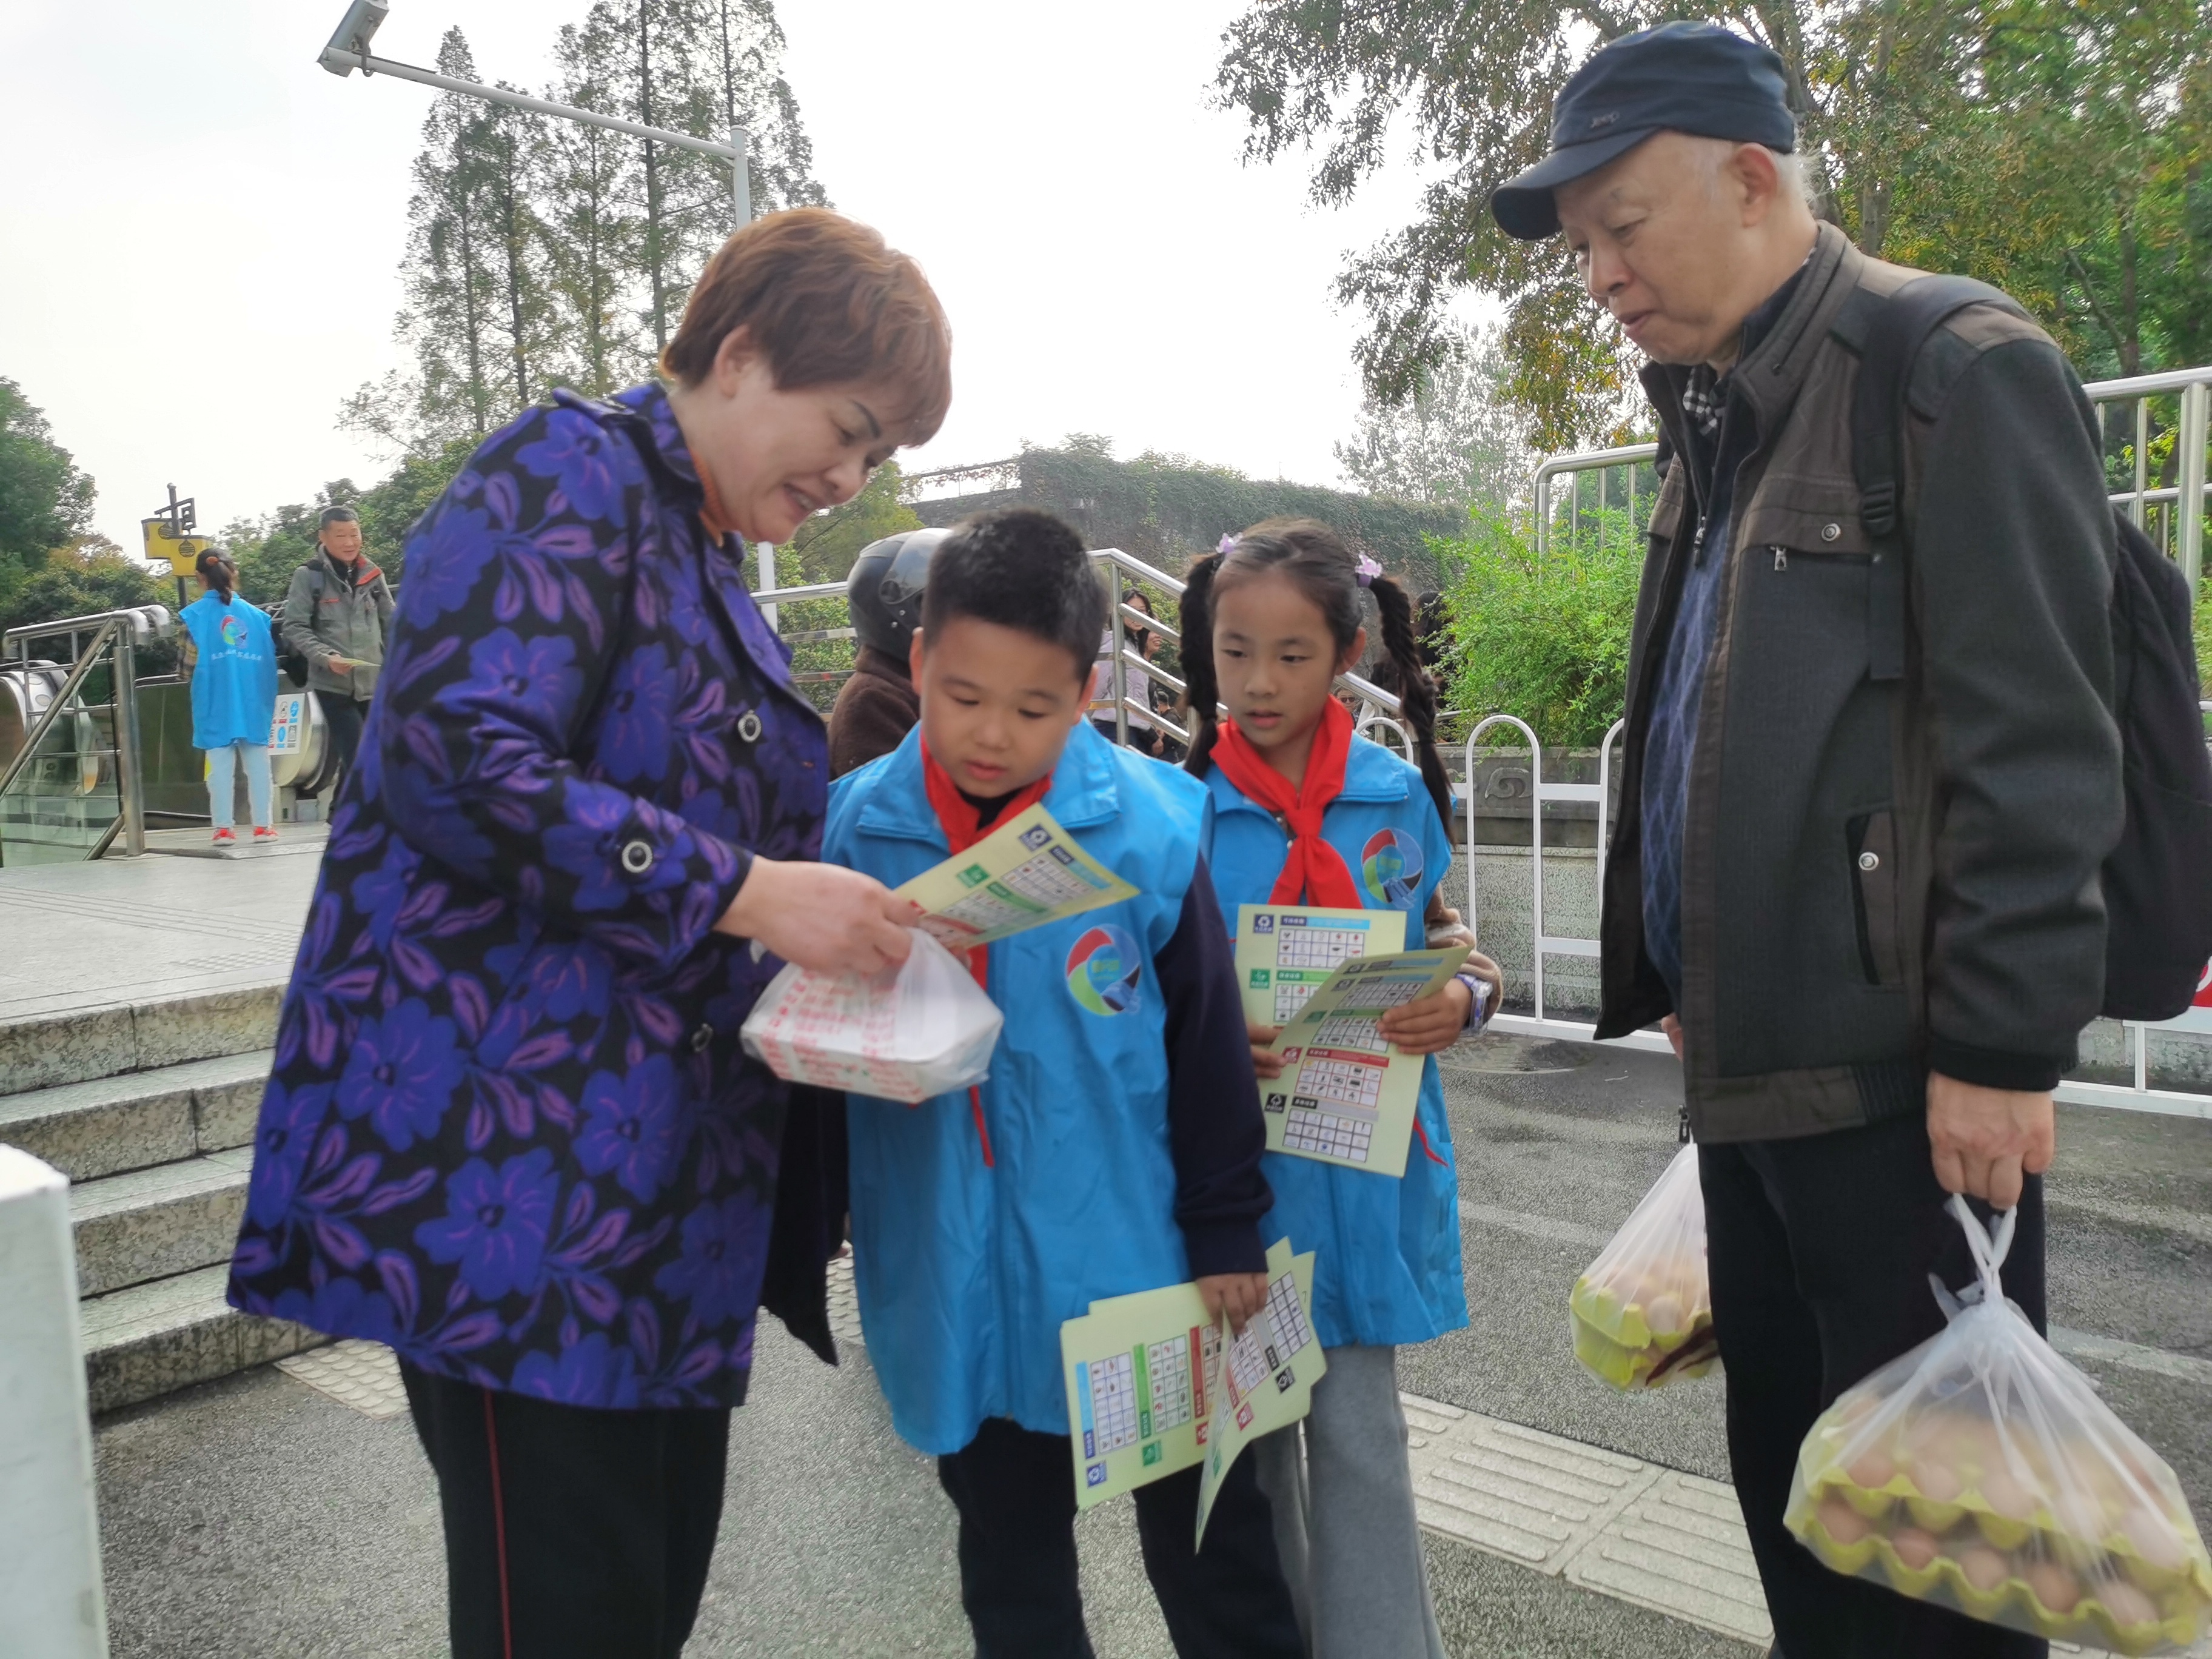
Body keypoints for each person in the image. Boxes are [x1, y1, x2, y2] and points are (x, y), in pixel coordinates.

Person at [227, 207, 952, 1659]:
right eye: (850, 428)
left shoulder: (692, 544)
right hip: (523, 1194)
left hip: (645, 1207)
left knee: (638, 1597)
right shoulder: (566, 470)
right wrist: (748, 889)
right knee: (563, 1614)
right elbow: (448, 753)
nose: (852, 475)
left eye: (879, 455)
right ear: (740, 352)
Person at [1492, 23, 2120, 1659]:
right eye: (1583, 251)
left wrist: (1999, 1043)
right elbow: (1721, 726)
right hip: (1756, 1084)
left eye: (1623, 227)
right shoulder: (1726, 412)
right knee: (1805, 1542)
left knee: (1936, 1584)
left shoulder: (1953, 369)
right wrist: (1681, 965)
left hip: (1909, 1100)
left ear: (1752, 178)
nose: (1602, 276)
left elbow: (2040, 740)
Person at [822, 507, 1304, 1659]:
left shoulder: (1140, 831)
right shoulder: (856, 832)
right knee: (1008, 1560)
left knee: (1211, 1551)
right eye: (963, 696)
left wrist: (1226, 1225)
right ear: (920, 664)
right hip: (957, 1271)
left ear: (1087, 690)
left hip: (1133, 1265)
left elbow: (1203, 1044)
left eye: (1034, 708)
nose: (991, 735)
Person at [1179, 520, 1501, 1658]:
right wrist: (1208, 1041)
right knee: (1250, 1443)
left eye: (1291, 655)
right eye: (1233, 651)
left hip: (1366, 1159)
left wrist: (1464, 1000)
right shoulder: (1176, 813)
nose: (1257, 683)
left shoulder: (1392, 793)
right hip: (1237, 1186)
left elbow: (1447, 941)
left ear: (1347, 649)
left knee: (1363, 1433)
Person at [280, 504, 394, 793]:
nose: (349, 542)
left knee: (367, 752)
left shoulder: (373, 574)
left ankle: (339, 813)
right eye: (340, 535)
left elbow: (393, 622)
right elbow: (294, 627)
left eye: (354, 534)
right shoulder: (308, 576)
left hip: (372, 682)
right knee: (358, 753)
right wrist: (326, 658)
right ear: (323, 537)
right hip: (333, 684)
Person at [178, 549, 280, 847]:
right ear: (233, 573)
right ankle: (264, 827)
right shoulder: (260, 617)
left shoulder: (193, 617)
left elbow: (185, 670)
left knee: (219, 768)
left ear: (199, 577)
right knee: (259, 766)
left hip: (215, 701)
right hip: (253, 700)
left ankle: (224, 829)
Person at [828, 526, 943, 777]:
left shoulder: (911, 684)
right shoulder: (874, 702)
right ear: (902, 613)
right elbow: (887, 805)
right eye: (945, 607)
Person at [1089, 585, 1164, 756]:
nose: (1137, 615)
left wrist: (1152, 724)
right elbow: (1096, 687)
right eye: (1131, 610)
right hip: (1114, 728)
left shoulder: (1134, 646)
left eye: (1142, 610)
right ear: (1120, 611)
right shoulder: (1114, 641)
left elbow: (1139, 695)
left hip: (1136, 730)